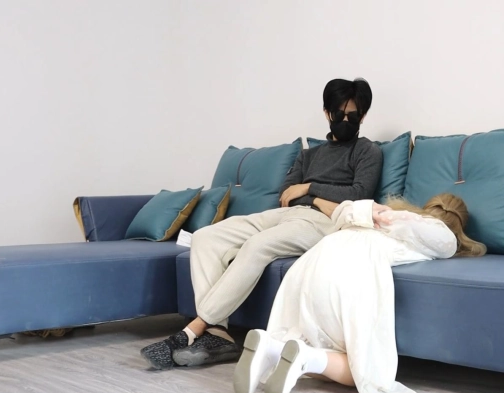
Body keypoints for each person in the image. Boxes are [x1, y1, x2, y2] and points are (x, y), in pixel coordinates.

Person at [140, 78, 384, 370]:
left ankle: (195, 327)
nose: (345, 121)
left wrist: (309, 189)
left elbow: (358, 194)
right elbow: (285, 195)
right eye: (339, 114)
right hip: (286, 215)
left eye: (352, 116)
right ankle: (218, 333)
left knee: (257, 246)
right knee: (206, 238)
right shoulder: (309, 155)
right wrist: (313, 195)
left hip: (325, 222)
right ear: (326, 113)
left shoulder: (367, 151)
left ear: (362, 117)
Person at [232, 193, 487, 393]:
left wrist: (376, 213)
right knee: (365, 372)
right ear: (458, 224)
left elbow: (343, 211)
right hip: (350, 270)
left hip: (311, 263)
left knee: (310, 337)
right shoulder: (438, 232)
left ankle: (271, 347)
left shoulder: (377, 214)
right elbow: (441, 243)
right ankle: (306, 358)